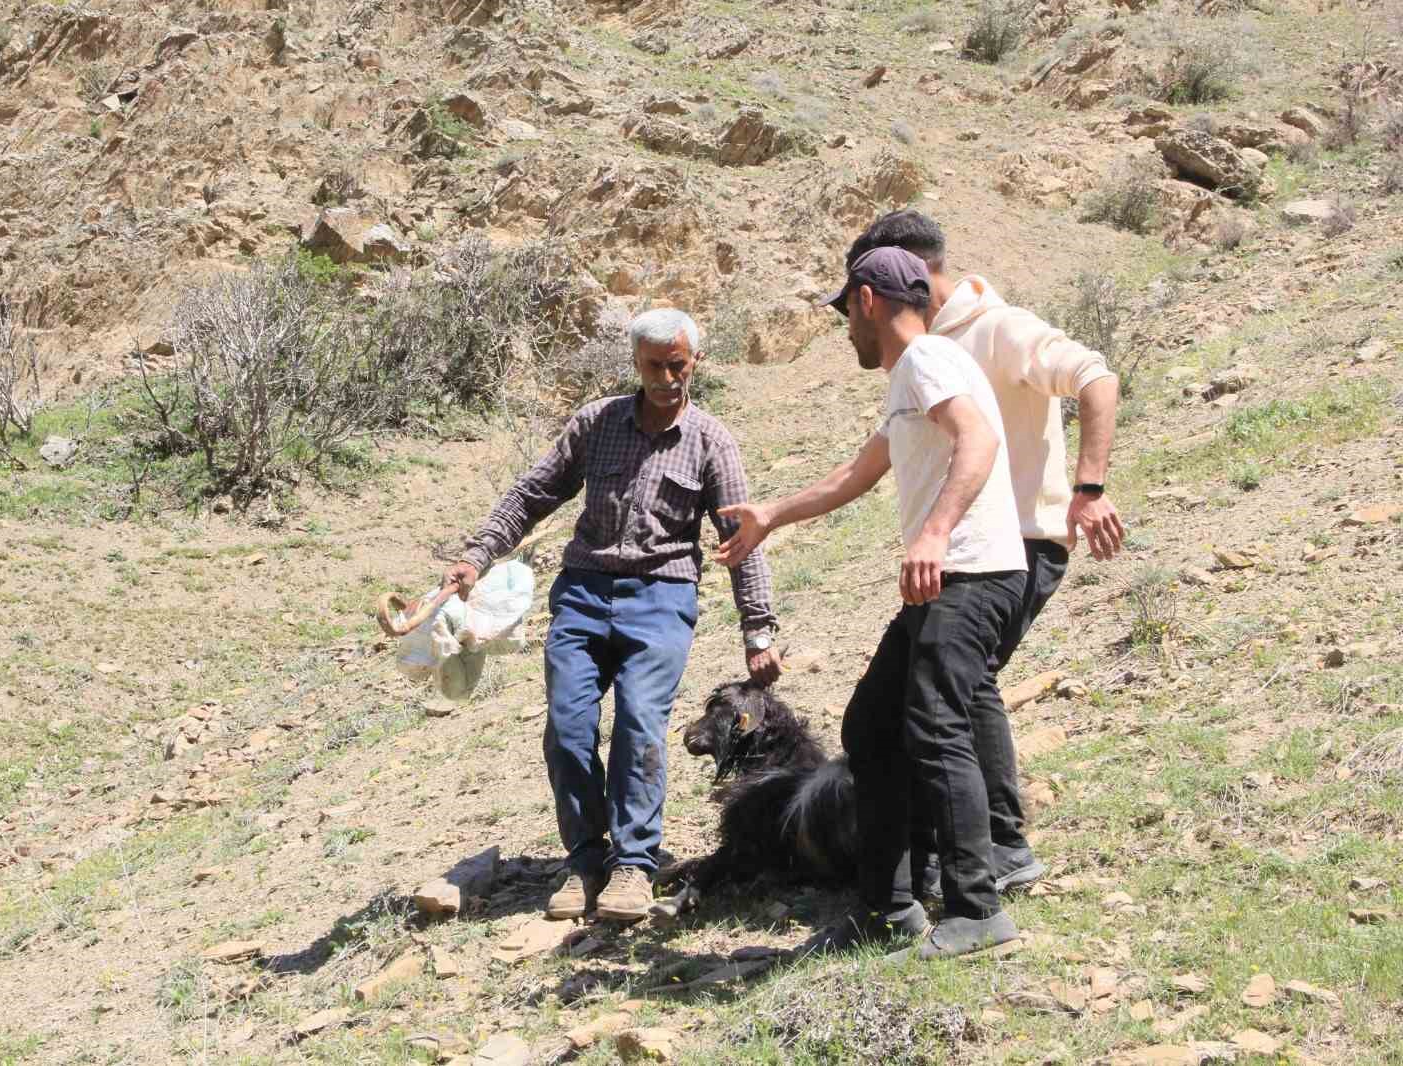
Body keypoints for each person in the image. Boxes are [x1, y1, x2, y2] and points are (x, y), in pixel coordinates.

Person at [716, 247, 1024, 958]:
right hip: (948, 580)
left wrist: (937, 533)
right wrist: (771, 514)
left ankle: (978, 910)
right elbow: (859, 471)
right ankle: (890, 905)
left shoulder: (927, 361)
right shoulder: (916, 377)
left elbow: (976, 438)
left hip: (968, 576)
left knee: (936, 727)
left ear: (865, 301)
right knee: (873, 726)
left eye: (845, 315)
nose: (846, 333)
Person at [445, 308, 781, 923]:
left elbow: (740, 538)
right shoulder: (596, 424)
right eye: (654, 365)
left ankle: (633, 863)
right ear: (635, 362)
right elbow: (531, 494)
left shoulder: (711, 441)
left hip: (662, 596)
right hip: (583, 592)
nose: (666, 378)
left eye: (677, 365)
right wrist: (477, 556)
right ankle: (585, 861)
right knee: (569, 727)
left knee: (638, 724)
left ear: (695, 362)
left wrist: (757, 628)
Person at [852, 211, 1124, 897]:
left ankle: (991, 852)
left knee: (952, 691)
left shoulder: (998, 328)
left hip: (1021, 540)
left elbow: (1096, 376)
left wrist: (1088, 489)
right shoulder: (927, 349)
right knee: (958, 688)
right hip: (972, 542)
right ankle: (974, 850)